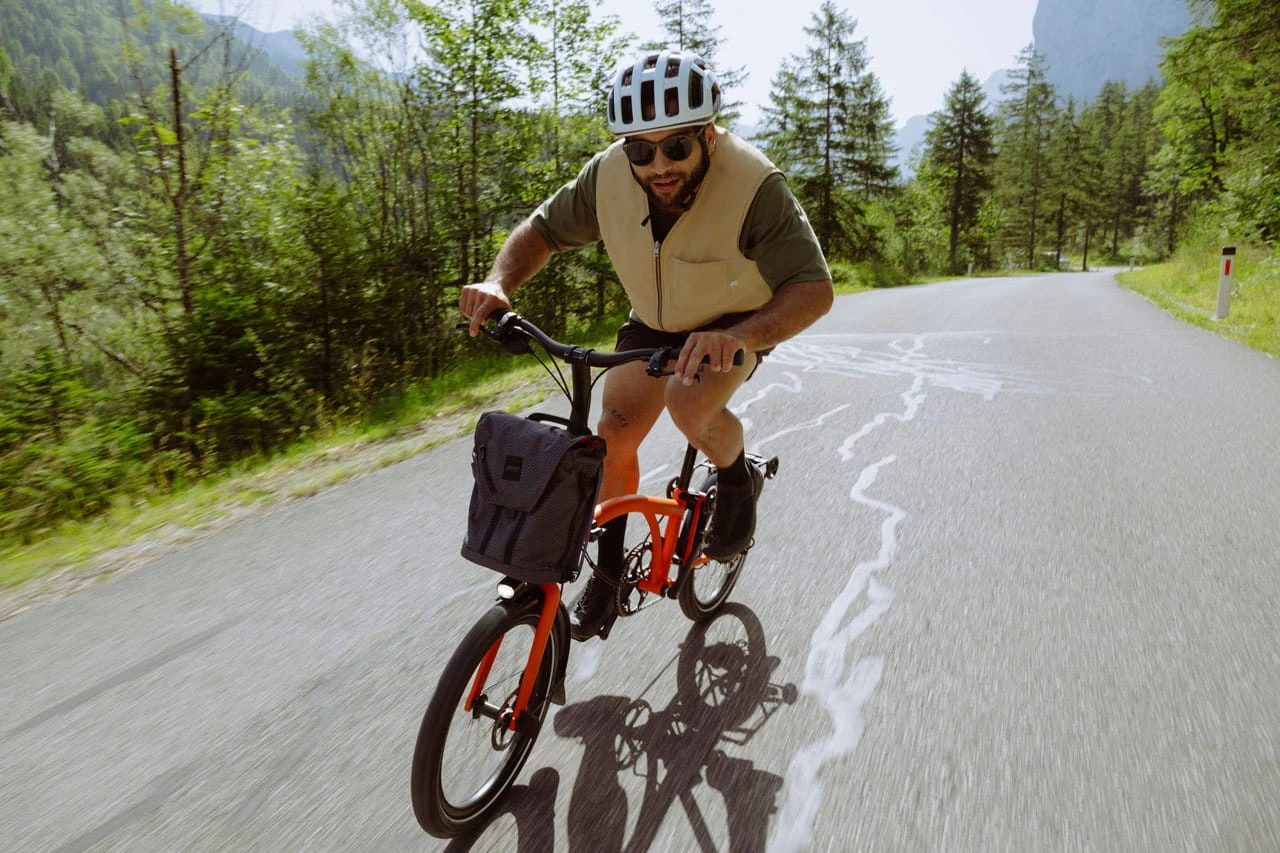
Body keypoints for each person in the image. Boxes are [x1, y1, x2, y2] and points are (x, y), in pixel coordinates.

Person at [459, 50, 833, 641]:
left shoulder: (755, 186)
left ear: (708, 136)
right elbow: (543, 230)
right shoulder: (608, 176)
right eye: (641, 150)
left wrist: (741, 337)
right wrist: (499, 281)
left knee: (689, 405)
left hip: (734, 320)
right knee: (612, 431)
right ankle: (607, 574)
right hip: (655, 320)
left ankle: (735, 477)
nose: (658, 165)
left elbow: (813, 288)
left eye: (676, 147)